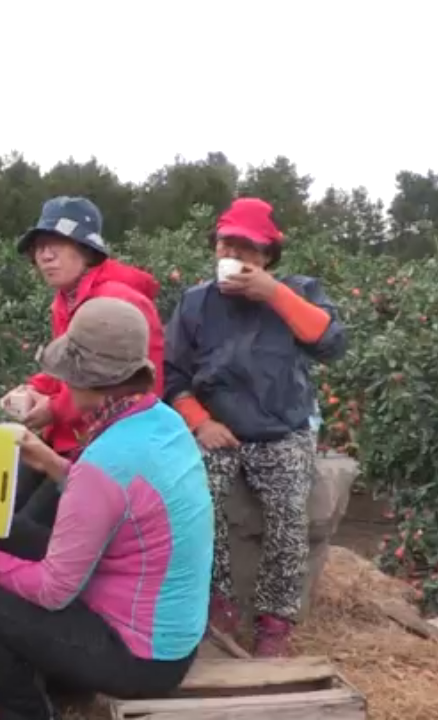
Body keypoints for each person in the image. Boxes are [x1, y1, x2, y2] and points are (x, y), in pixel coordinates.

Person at [0, 297, 213, 720]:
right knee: (6, 531)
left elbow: (53, 591)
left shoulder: (105, 462)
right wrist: (44, 458)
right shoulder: (161, 420)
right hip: (169, 631)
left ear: (85, 379)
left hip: (141, 657)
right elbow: (117, 497)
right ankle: (50, 675)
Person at [163, 197, 347, 657]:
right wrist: (199, 421)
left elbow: (331, 343)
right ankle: (217, 602)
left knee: (288, 515)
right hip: (218, 428)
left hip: (282, 429)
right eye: (228, 245)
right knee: (195, 502)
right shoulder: (196, 302)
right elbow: (171, 373)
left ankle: (274, 621)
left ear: (267, 257)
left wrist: (275, 295)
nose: (236, 257)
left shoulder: (297, 291)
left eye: (249, 249)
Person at [0, 196, 165, 528]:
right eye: (39, 247)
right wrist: (33, 388)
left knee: (22, 532)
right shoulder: (66, 298)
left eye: (56, 245)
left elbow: (129, 390)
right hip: (68, 437)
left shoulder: (116, 303)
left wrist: (54, 408)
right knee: (1, 509)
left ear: (87, 251)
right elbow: (69, 368)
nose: (44, 256)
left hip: (106, 451)